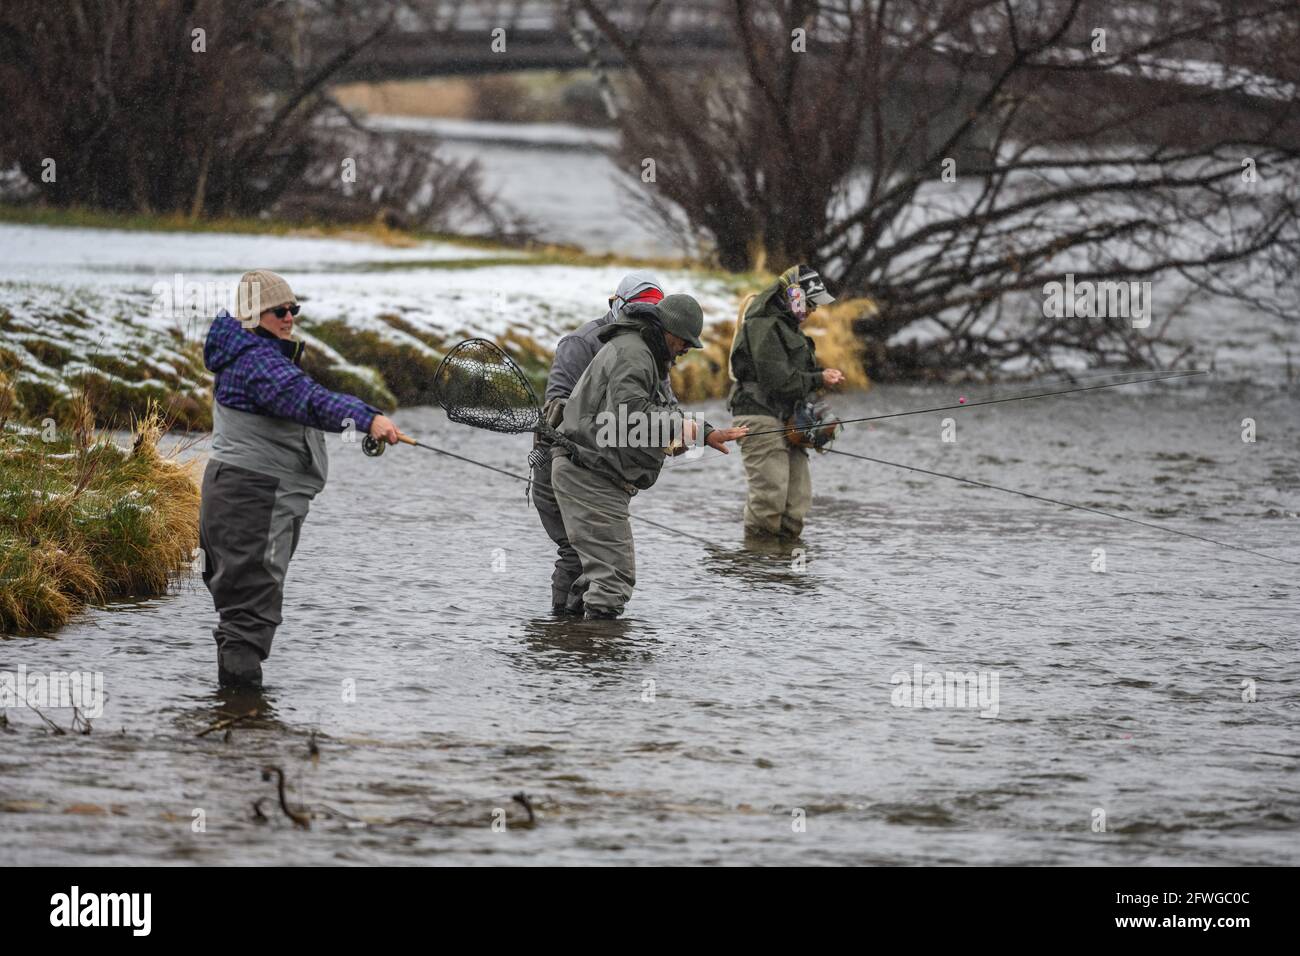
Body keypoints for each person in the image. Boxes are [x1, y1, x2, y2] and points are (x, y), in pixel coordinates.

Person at [199, 270, 402, 688]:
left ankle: (235, 727)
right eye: (279, 310)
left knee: (243, 611)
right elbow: (310, 400)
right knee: (249, 615)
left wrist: (367, 417)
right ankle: (245, 729)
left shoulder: (249, 354)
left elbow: (305, 397)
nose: (290, 317)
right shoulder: (257, 363)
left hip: (243, 496)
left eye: (294, 308)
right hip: (252, 500)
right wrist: (369, 419)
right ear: (252, 316)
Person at [550, 294, 747, 619]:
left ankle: (569, 645)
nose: (687, 349)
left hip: (594, 472)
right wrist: (691, 429)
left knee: (600, 577)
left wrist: (699, 432)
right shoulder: (635, 353)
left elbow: (643, 419)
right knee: (614, 581)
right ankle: (599, 660)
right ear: (669, 331)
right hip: (588, 474)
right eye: (685, 342)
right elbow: (629, 416)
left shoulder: (645, 352)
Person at [533, 271, 666, 616]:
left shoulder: (651, 347)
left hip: (602, 470)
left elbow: (662, 407)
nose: (644, 319)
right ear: (616, 305)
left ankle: (570, 644)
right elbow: (556, 408)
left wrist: (671, 434)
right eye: (639, 310)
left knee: (592, 558)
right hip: (561, 462)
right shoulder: (580, 344)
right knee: (575, 552)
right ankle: (571, 635)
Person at [728, 264, 844, 542]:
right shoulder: (763, 326)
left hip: (787, 421)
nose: (813, 311)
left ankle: (784, 576)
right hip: (759, 417)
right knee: (769, 502)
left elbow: (790, 382)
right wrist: (819, 379)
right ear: (795, 297)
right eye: (811, 304)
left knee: (795, 506)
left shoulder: (789, 330)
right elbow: (777, 380)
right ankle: (758, 572)